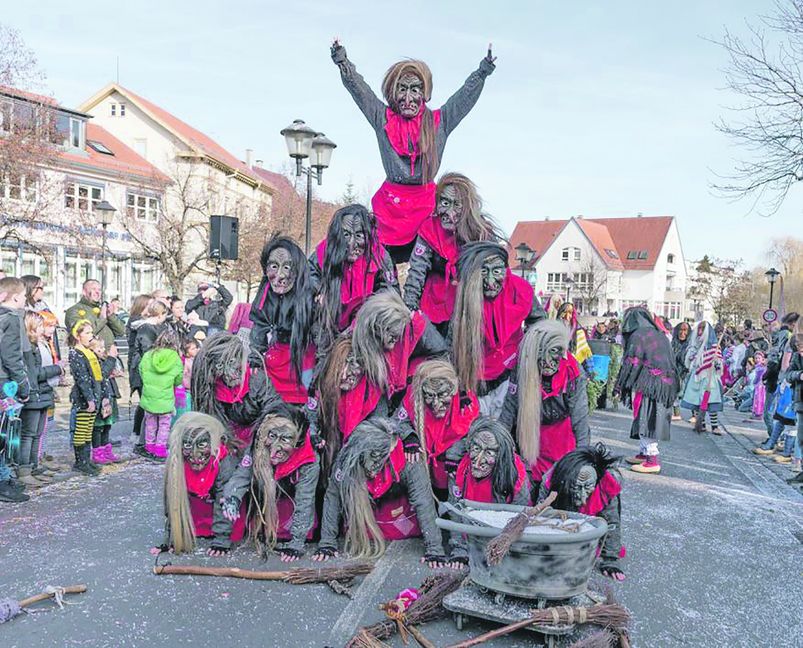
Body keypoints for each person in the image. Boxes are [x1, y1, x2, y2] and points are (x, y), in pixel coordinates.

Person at [331, 39, 496, 262]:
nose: (408, 98)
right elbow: (361, 92)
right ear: (393, 93)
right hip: (390, 209)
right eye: (403, 89)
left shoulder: (440, 121)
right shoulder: (383, 119)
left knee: (441, 256)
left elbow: (463, 98)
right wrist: (343, 61)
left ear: (424, 93)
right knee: (371, 260)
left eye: (415, 90)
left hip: (426, 208)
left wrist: (483, 71)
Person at [312, 418, 450, 567]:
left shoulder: (409, 460)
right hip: (363, 530)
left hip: (402, 527)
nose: (372, 470)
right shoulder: (346, 458)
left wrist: (434, 550)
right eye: (368, 460)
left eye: (377, 459)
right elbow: (333, 497)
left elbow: (423, 502)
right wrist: (327, 543)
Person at [450, 241, 544, 416]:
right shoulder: (463, 297)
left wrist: (530, 351)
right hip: (473, 377)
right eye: (484, 272)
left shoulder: (520, 290)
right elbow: (452, 342)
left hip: (509, 372)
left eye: (497, 271)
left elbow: (539, 324)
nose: (491, 282)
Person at [403, 173, 503, 333]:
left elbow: (498, 271)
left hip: (469, 306)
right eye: (444, 202)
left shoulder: (482, 233)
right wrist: (408, 307)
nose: (449, 212)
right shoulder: (429, 229)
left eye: (456, 205)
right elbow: (417, 270)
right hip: (433, 304)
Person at [498, 319, 590, 486]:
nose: (548, 364)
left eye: (554, 358)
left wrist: (583, 459)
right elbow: (509, 410)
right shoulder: (521, 367)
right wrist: (497, 442)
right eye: (543, 358)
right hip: (530, 436)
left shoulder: (573, 372)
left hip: (562, 439)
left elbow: (580, 419)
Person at [221, 407, 320, 561]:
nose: (274, 450)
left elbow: (305, 501)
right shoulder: (258, 446)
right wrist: (232, 498)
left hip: (293, 508)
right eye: (272, 436)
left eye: (285, 439)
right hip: (266, 510)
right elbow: (241, 476)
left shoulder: (309, 461)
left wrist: (297, 543)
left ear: (297, 442)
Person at [309, 203, 398, 356]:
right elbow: (308, 274)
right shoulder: (325, 250)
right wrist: (319, 291)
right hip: (328, 324)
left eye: (359, 235)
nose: (351, 244)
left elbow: (391, 290)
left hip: (365, 327)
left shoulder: (380, 256)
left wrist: (372, 308)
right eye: (346, 235)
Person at [444, 416, 530, 565]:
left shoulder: (516, 480)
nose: (478, 461)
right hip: (469, 536)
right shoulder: (459, 470)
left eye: (489, 453)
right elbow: (455, 511)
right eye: (476, 449)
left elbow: (517, 522)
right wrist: (459, 550)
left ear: (501, 456)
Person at [160, 412, 247, 555]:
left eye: (201, 445)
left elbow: (224, 498)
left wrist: (222, 541)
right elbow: (172, 501)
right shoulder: (177, 461)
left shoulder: (225, 461)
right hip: (197, 518)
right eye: (188, 445)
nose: (195, 454)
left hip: (223, 516)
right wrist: (170, 538)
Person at [537, 443, 625, 581]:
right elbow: (540, 516)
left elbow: (612, 523)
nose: (583, 497)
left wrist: (610, 560)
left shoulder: (606, 486)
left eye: (587, 487)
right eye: (576, 487)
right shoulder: (550, 482)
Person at [395, 359, 480, 496]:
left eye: (442, 396)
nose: (436, 404)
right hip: (425, 466)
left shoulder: (466, 405)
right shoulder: (413, 397)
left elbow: (476, 432)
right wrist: (409, 436)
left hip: (453, 467)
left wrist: (456, 452)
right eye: (429, 396)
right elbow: (397, 421)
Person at [249, 236, 315, 404]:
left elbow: (321, 334)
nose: (279, 276)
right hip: (277, 360)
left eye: (286, 267)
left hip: (305, 361)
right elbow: (259, 326)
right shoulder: (265, 292)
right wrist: (256, 359)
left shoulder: (310, 294)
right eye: (273, 267)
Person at [191, 332, 280, 453]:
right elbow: (214, 422)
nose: (232, 375)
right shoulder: (212, 388)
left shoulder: (258, 379)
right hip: (231, 437)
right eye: (223, 368)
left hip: (258, 437)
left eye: (236, 368)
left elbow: (273, 410)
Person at [615, 306, 677, 474]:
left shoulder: (638, 335)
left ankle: (652, 460)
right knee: (644, 416)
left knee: (648, 418)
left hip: (651, 384)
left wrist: (619, 386)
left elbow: (631, 363)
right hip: (664, 383)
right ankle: (644, 453)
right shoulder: (658, 333)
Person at [16, 312, 64, 486]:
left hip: (42, 394)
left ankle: (34, 466)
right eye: (39, 327)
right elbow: (34, 373)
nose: (43, 330)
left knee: (37, 433)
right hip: (34, 395)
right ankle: (24, 470)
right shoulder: (29, 349)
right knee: (28, 434)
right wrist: (56, 369)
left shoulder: (38, 346)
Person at [68, 320, 114, 476]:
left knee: (88, 430)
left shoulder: (90, 353)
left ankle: (87, 460)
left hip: (95, 396)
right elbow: (82, 378)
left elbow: (99, 377)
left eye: (91, 333)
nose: (91, 336)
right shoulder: (76, 353)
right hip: (84, 399)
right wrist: (89, 399)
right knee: (81, 431)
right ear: (77, 335)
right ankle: (80, 462)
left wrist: (103, 397)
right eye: (87, 333)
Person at [139, 329, 184, 460]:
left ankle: (149, 447)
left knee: (150, 423)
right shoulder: (175, 358)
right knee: (164, 425)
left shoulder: (148, 355)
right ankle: (160, 449)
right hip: (165, 398)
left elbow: (141, 370)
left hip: (149, 396)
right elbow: (178, 378)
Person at [681, 321, 724, 434]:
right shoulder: (695, 344)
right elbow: (689, 361)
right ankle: (701, 423)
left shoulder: (714, 346)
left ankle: (714, 426)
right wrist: (691, 357)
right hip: (696, 376)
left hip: (710, 377)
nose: (699, 332)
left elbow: (720, 364)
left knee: (711, 400)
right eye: (698, 330)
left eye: (702, 330)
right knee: (696, 400)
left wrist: (717, 363)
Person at [64, 279, 126, 350]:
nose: (97, 292)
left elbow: (121, 331)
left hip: (109, 355)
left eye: (99, 290)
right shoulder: (73, 311)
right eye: (93, 289)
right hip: (90, 356)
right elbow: (82, 333)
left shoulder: (103, 308)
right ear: (84, 292)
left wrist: (111, 316)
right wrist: (102, 318)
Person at [88, 337, 121, 465]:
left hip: (108, 396)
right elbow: (102, 374)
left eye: (102, 348)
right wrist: (112, 358)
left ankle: (106, 450)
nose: (102, 350)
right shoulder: (94, 361)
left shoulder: (103, 360)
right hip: (99, 398)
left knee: (107, 425)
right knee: (98, 427)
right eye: (98, 348)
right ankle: (97, 452)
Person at [671, 322, 691, 420]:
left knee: (690, 393)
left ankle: (694, 415)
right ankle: (676, 413)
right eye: (681, 330)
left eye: (685, 331)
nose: (682, 333)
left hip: (687, 371)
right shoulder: (673, 343)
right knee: (675, 392)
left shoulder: (691, 344)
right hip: (676, 371)